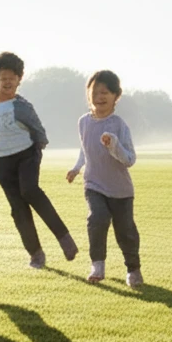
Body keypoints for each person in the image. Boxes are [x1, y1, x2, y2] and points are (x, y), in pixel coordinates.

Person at [0, 51, 78, 268]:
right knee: (18, 208)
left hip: (26, 155)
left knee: (30, 191)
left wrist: (37, 150)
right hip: (2, 162)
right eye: (3, 78)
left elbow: (38, 130)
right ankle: (36, 255)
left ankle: (65, 239)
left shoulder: (21, 106)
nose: (8, 82)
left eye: (12, 78)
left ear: (19, 80)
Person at [66, 70, 142, 288]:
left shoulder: (119, 125)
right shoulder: (83, 122)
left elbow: (129, 159)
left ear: (116, 96)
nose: (100, 96)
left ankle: (133, 269)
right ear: (88, 95)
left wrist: (113, 145)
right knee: (97, 218)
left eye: (105, 92)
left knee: (125, 231)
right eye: (95, 92)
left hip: (121, 190)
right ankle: (97, 265)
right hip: (94, 184)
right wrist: (76, 168)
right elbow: (85, 150)